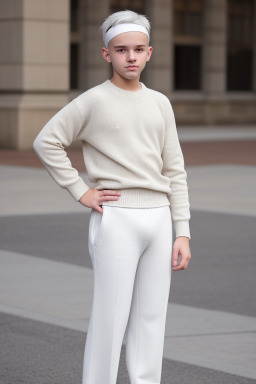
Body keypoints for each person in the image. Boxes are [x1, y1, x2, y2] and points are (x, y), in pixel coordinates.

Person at [33, 9, 191, 384]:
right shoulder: (93, 101)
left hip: (159, 219)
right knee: (110, 318)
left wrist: (181, 230)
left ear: (149, 53)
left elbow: (175, 169)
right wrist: (81, 190)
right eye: (121, 50)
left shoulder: (160, 103)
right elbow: (46, 141)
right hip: (116, 219)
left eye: (138, 49)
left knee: (151, 319)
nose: (131, 57)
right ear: (107, 54)